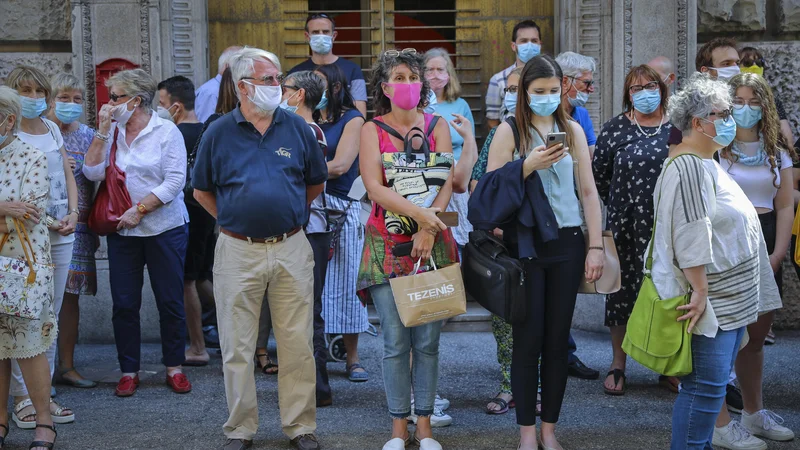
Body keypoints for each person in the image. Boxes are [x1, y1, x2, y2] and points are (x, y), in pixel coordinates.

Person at [192, 47, 327, 450]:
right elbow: (202, 192)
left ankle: (300, 427)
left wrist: (284, 217)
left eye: (278, 78)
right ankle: (240, 429)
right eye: (270, 80)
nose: (279, 87)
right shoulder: (218, 131)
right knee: (236, 346)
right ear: (243, 86)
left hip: (290, 247)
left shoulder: (298, 128)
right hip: (237, 251)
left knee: (297, 344)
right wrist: (237, 222)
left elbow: (314, 184)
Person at [479, 54, 604, 450]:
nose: (547, 97)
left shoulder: (572, 130)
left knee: (556, 342)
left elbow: (588, 192)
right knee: (527, 341)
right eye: (539, 91)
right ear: (525, 93)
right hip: (524, 245)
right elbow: (490, 195)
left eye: (553, 91)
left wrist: (596, 245)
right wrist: (527, 165)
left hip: (568, 242)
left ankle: (550, 431)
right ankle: (526, 436)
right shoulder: (509, 132)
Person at [655, 72, 777, 450]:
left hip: (722, 298)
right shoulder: (689, 165)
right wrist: (701, 290)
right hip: (710, 301)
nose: (730, 121)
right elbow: (690, 232)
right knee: (704, 389)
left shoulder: (703, 161)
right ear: (698, 123)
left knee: (707, 389)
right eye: (722, 114)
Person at [358, 48, 458, 450]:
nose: (407, 84)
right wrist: (422, 218)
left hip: (431, 244)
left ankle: (425, 425)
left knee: (428, 342)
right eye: (398, 78)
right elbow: (375, 187)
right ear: (385, 86)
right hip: (387, 245)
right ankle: (398, 428)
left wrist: (430, 230)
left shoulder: (438, 125)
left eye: (413, 77)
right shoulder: (371, 129)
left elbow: (446, 180)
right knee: (395, 342)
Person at [83, 68, 191, 397]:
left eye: (114, 97)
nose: (109, 103)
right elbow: (91, 171)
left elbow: (174, 181)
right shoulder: (112, 131)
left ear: (135, 99)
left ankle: (174, 366)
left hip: (164, 228)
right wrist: (102, 131)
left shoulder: (165, 131)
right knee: (125, 304)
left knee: (170, 300)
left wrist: (139, 209)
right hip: (123, 233)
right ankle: (129, 369)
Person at [711, 72, 795, 449]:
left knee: (756, 338)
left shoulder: (778, 152)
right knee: (722, 336)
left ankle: (754, 413)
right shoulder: (715, 147)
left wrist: (778, 253)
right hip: (727, 243)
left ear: (766, 106)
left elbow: (785, 204)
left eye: (754, 101)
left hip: (766, 239)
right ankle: (721, 423)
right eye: (738, 102)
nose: (746, 109)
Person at [592, 65, 673, 396]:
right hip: (626, 225)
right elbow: (600, 176)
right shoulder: (615, 129)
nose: (644, 92)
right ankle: (618, 363)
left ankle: (670, 366)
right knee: (621, 294)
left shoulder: (677, 128)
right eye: (636, 88)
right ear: (627, 94)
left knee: (669, 292)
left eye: (650, 85)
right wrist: (625, 203)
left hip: (668, 224)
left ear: (663, 89)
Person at [7, 65, 79, 427]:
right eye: (25, 90)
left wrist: (74, 211)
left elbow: (66, 172)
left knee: (50, 315)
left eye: (39, 92)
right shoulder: (5, 129)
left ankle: (43, 395)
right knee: (25, 316)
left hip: (59, 232)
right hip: (21, 238)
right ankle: (23, 399)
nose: (33, 98)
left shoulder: (51, 127)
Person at [0, 85, 58, 450]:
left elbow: (32, 214)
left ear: (7, 121)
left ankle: (44, 422)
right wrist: (5, 207)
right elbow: (14, 212)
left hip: (23, 266)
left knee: (29, 345)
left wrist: (11, 213)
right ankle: (1, 422)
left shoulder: (32, 156)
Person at [274, 69, 333, 406]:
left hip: (308, 229)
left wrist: (294, 213)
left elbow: (314, 182)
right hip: (299, 228)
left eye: (283, 89)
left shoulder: (308, 131)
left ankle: (317, 388)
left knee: (308, 311)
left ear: (298, 96)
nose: (278, 93)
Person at [311, 63, 368, 382]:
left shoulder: (353, 118)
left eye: (319, 84)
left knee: (348, 282)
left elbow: (342, 164)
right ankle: (316, 354)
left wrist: (301, 167)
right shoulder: (305, 119)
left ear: (335, 88)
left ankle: (353, 358)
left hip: (341, 205)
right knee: (312, 284)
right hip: (310, 204)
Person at [471, 67, 521, 416]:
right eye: (512, 88)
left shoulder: (561, 132)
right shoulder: (500, 134)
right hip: (505, 243)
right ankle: (510, 385)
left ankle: (539, 390)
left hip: (547, 242)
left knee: (544, 321)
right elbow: (477, 183)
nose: (515, 94)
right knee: (506, 320)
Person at [45, 73, 99, 389]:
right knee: (38, 298)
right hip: (38, 225)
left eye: (77, 100)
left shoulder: (90, 135)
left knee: (69, 299)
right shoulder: (34, 133)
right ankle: (38, 372)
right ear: (51, 100)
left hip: (77, 229)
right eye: (64, 98)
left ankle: (66, 366)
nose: (71, 105)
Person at [157, 75, 212, 367]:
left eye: (162, 103)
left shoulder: (171, 134)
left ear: (176, 107)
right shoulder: (207, 131)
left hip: (186, 212)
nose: (159, 109)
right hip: (206, 212)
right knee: (200, 276)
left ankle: (198, 346)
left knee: (187, 280)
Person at [288, 13, 368, 117]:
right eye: (316, 32)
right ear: (307, 36)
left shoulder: (353, 69)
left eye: (325, 32)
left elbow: (360, 112)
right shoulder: (296, 73)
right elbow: (291, 111)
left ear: (333, 36)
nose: (321, 36)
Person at [485, 20, 543, 129]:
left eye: (534, 40)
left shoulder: (550, 77)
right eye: (524, 41)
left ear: (540, 44)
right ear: (513, 46)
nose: (529, 45)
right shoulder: (498, 80)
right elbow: (492, 122)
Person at [555, 52, 598, 157]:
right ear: (565, 82)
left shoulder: (582, 113)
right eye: (586, 83)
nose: (591, 89)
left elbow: (592, 154)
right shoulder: (546, 112)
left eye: (592, 83)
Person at [195, 46, 242, 122]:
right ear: (228, 66)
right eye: (242, 64)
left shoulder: (236, 89)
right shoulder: (210, 93)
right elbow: (206, 127)